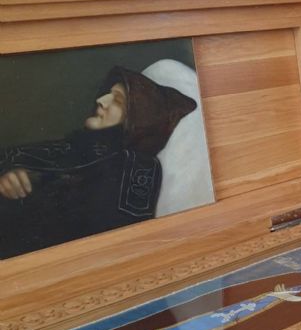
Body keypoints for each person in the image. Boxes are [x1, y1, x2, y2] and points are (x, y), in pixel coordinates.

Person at [0, 65, 197, 258]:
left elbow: (111, 242)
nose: (101, 101)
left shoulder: (137, 166)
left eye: (117, 100)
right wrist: (7, 173)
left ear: (137, 121)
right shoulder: (76, 145)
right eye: (108, 94)